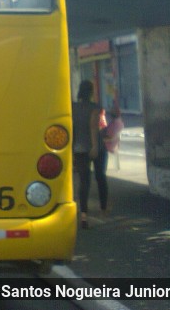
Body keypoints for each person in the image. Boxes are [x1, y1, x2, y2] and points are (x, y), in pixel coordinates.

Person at [72, 80, 102, 229]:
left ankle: (80, 213)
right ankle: (88, 212)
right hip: (89, 147)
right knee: (91, 180)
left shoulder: (73, 107)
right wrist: (95, 146)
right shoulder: (94, 108)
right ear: (91, 92)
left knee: (79, 181)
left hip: (76, 148)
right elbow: (93, 127)